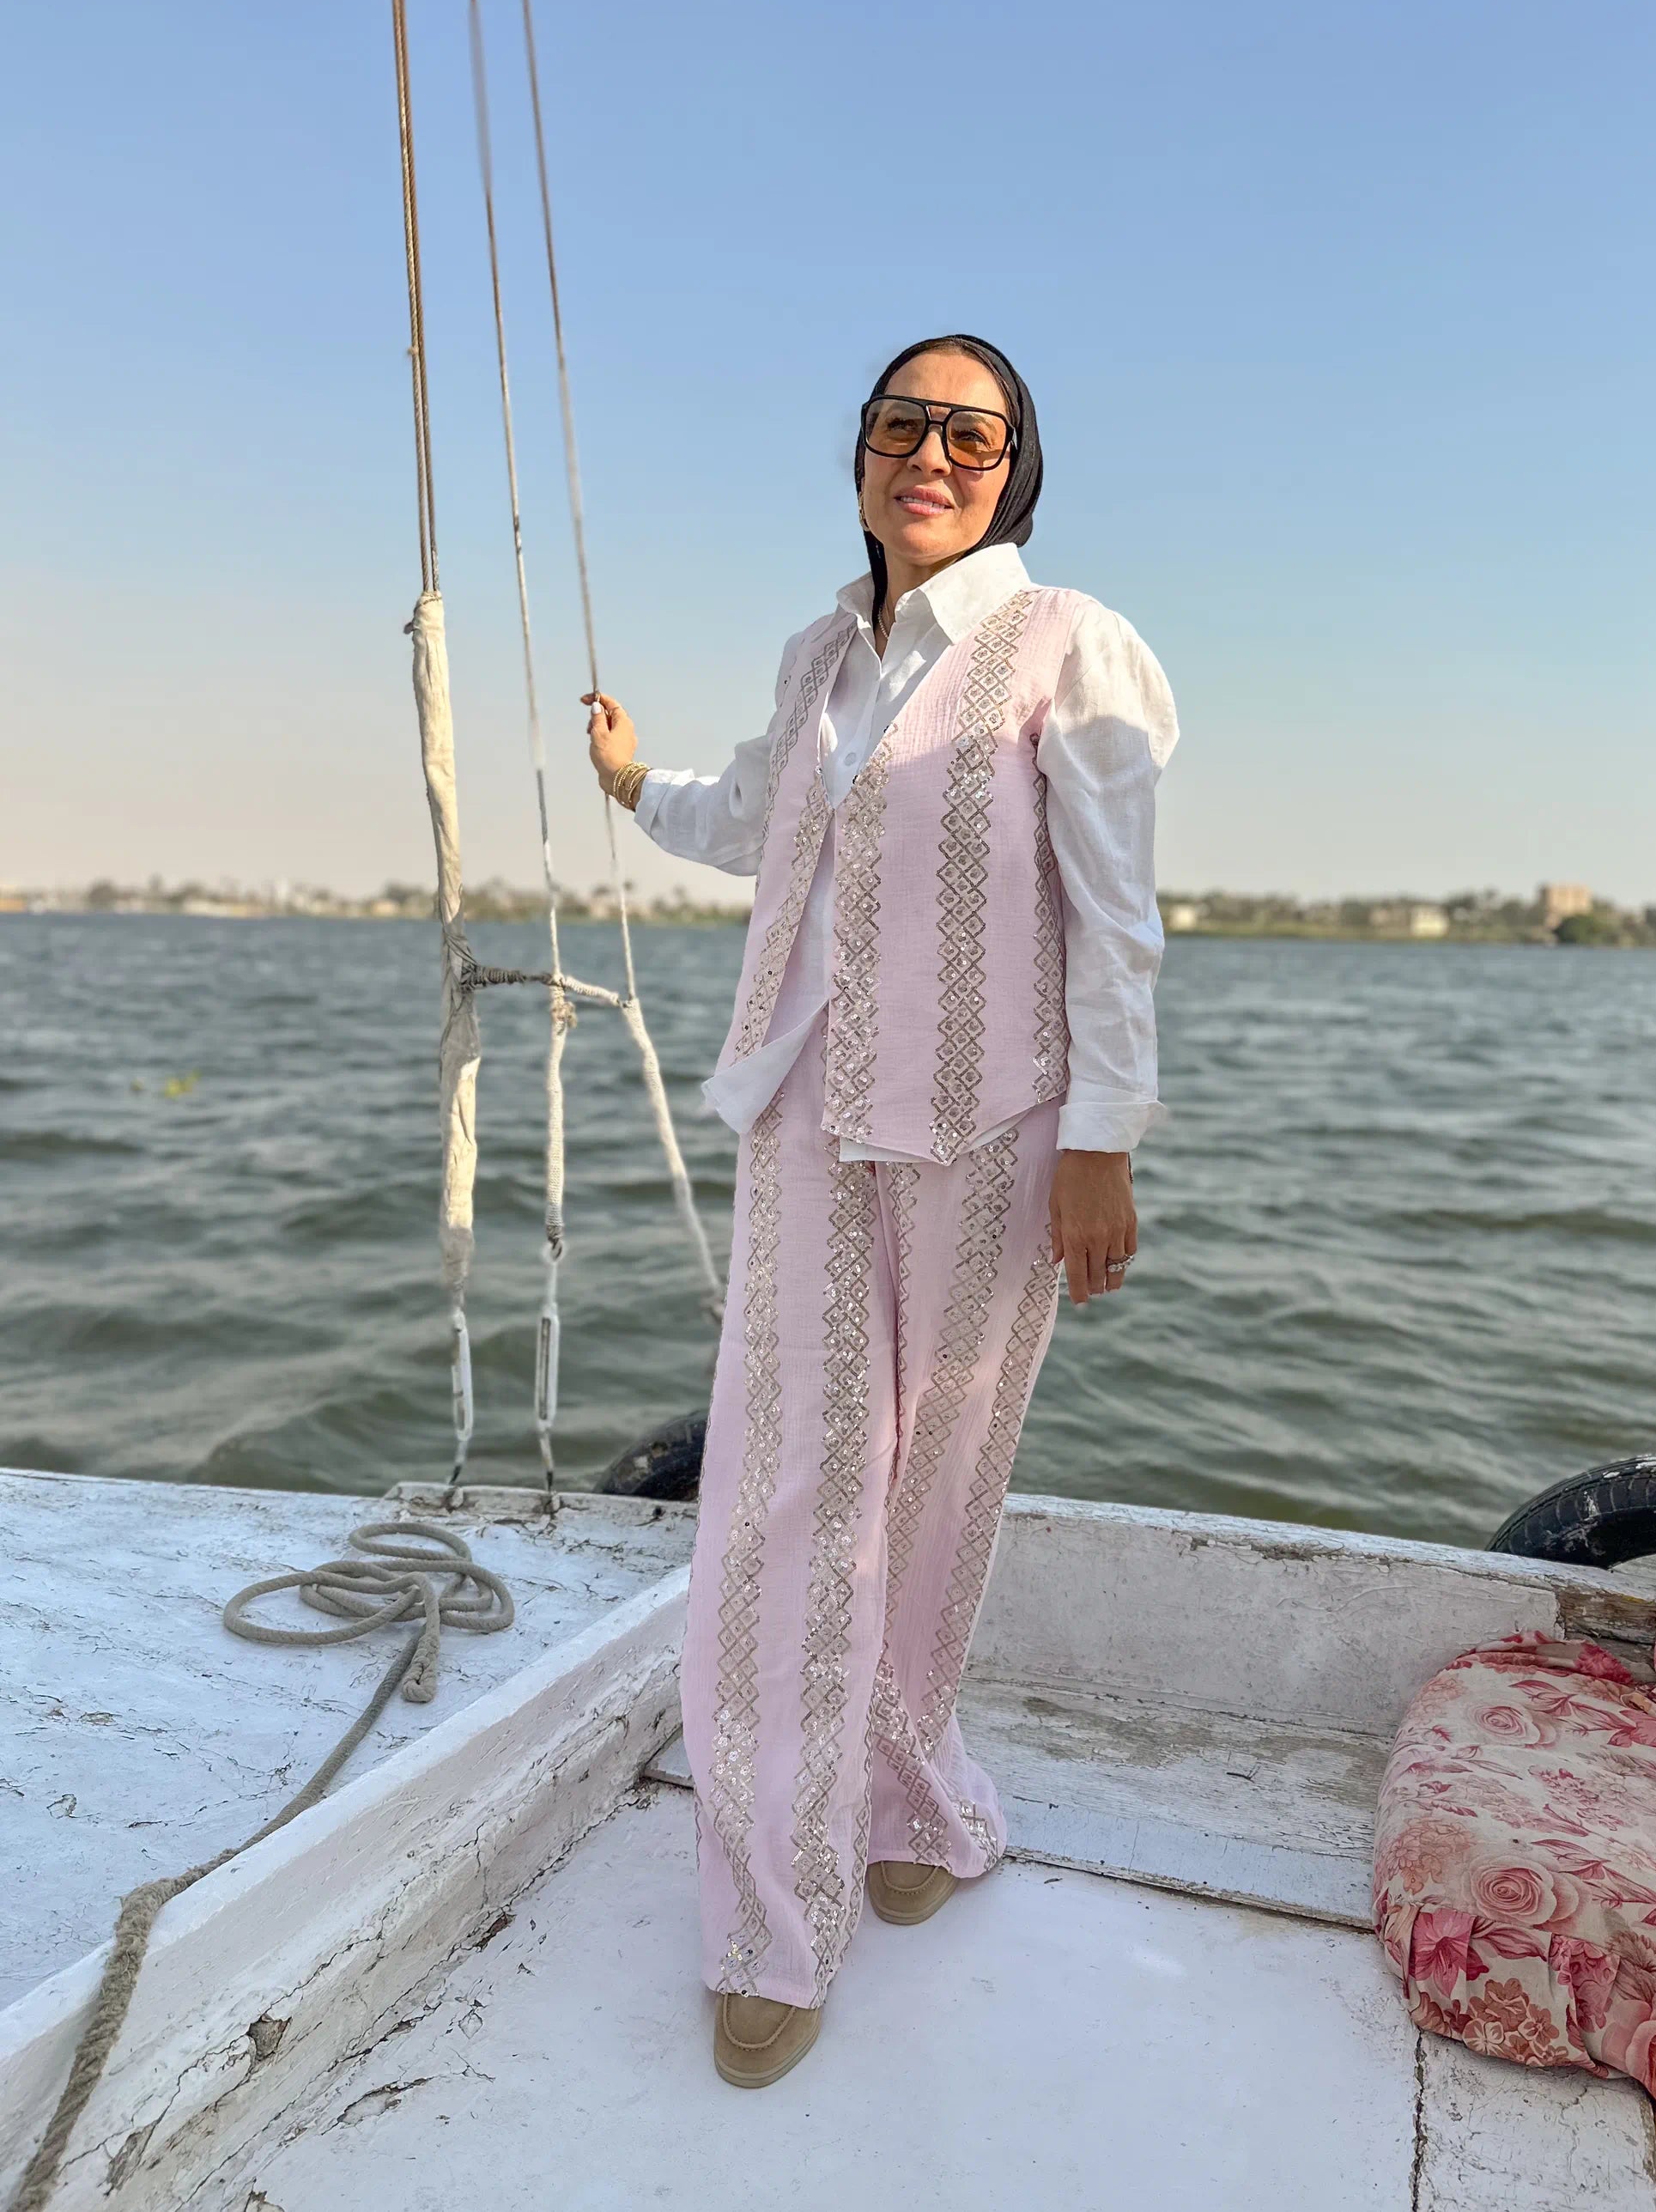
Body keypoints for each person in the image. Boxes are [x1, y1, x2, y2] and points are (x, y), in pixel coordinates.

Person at [585, 333, 1178, 2087]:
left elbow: (1114, 906)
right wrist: (633, 786)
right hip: (804, 1124)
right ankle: (773, 1907)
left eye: (969, 434)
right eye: (903, 425)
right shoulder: (817, 659)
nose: (933, 454)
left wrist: (1103, 1135)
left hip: (999, 1133)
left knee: (937, 1487)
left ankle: (913, 1794)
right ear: (858, 454)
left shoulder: (1073, 645)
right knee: (782, 1507)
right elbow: (756, 821)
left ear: (1015, 466)